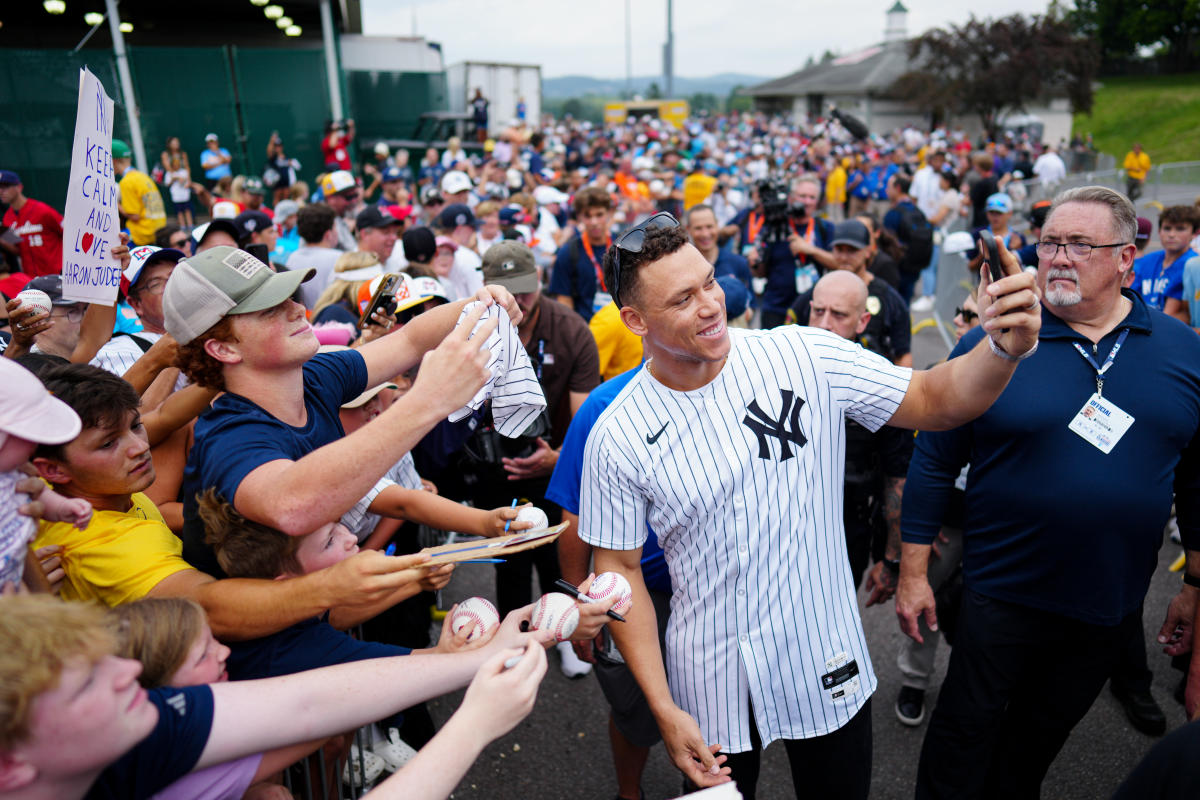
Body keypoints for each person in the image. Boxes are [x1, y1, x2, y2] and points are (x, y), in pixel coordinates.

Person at [579, 212, 1040, 799]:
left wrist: (1002, 348)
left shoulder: (804, 353)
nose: (710, 305)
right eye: (682, 299)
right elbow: (616, 570)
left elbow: (933, 396)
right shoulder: (615, 430)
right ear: (636, 320)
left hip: (823, 652)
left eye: (710, 283)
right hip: (708, 673)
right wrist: (662, 706)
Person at [898, 186, 1200, 799]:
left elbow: (1196, 479)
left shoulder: (1182, 352)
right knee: (962, 734)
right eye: (1051, 243)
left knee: (1037, 739)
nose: (1058, 257)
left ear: (1126, 258)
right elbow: (934, 456)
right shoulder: (1000, 338)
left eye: (1080, 245)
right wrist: (912, 570)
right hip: (999, 591)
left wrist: (1194, 585)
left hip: (1106, 605)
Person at [167, 244, 517, 586]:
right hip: (248, 644)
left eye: (291, 296)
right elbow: (291, 506)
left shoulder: (316, 377)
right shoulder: (229, 435)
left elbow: (410, 340)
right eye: (269, 309)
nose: (297, 310)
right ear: (223, 348)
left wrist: (480, 305)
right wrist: (429, 400)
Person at [0, 593, 549, 800]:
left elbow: (304, 704)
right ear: (10, 766)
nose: (126, 672)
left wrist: (476, 661)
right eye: (89, 683)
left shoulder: (134, 727)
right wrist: (473, 726)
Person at [467, 241, 601, 678]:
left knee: (556, 552)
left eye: (525, 289)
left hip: (555, 459)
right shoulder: (470, 325)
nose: (518, 300)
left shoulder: (570, 329)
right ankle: (513, 639)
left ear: (540, 279)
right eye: (506, 289)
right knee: (508, 557)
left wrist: (557, 459)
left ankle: (560, 633)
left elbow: (585, 420)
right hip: (494, 463)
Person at [805, 270, 912, 590]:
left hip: (846, 525)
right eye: (818, 311)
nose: (825, 323)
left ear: (862, 321)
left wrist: (891, 559)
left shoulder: (879, 382)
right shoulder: (775, 366)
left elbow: (898, 480)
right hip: (776, 527)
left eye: (838, 315)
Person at [788, 219, 912, 367]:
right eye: (839, 249)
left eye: (852, 250)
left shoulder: (888, 298)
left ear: (868, 251)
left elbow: (903, 355)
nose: (845, 257)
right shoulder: (818, 292)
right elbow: (789, 341)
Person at [550, 186, 613, 321]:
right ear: (579, 217)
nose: (594, 222)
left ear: (608, 214)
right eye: (587, 216)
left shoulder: (622, 247)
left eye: (599, 215)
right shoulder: (568, 253)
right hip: (587, 329)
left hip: (621, 328)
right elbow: (564, 301)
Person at [1131, 204, 1200, 323]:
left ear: (1194, 234)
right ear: (1159, 232)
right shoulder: (1146, 261)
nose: (1172, 234)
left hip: (1166, 329)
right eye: (1167, 228)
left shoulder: (1192, 266)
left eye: (1180, 229)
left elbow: (1183, 315)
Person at [0, 170, 64, 278]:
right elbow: (19, 251)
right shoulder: (7, 218)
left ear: (19, 187)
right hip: (32, 279)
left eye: (5, 186)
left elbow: (68, 233)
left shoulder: (42, 210)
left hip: (56, 275)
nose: (1, 191)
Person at [288, 204, 344, 310]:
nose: (337, 232)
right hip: (328, 320)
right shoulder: (339, 258)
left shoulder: (293, 257)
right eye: (335, 228)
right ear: (328, 234)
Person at [114, 140, 167, 247]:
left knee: (115, 243)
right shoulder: (143, 176)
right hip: (159, 230)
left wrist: (115, 203)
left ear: (114, 161)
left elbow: (135, 216)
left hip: (142, 235)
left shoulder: (126, 182)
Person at [686, 204, 751, 290]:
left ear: (717, 225)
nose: (705, 234)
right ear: (688, 229)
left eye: (709, 227)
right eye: (698, 228)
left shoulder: (739, 264)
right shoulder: (683, 269)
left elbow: (750, 301)